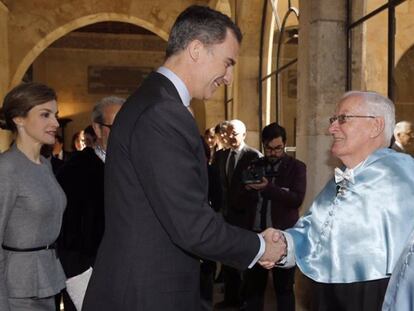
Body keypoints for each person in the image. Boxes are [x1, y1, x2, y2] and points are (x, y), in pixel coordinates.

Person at [82, 5, 285, 311]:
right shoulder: (162, 111)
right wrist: (260, 246)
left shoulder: (154, 102)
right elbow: (192, 225)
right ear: (196, 50)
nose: (229, 77)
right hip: (146, 293)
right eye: (227, 63)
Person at [270, 91, 414, 311]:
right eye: (333, 119)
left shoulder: (402, 176)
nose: (332, 128)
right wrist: (283, 243)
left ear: (375, 126)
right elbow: (316, 229)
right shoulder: (346, 176)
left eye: (343, 119)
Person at [0, 82, 67, 311]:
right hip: (17, 291)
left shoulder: (45, 165)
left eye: (55, 115)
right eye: (45, 115)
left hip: (48, 282)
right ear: (19, 119)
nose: (55, 123)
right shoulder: (6, 168)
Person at [56, 96, 124, 311]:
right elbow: (68, 234)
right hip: (88, 278)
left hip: (127, 276)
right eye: (115, 126)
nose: (123, 132)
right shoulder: (76, 172)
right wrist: (80, 283)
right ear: (97, 128)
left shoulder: (136, 166)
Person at [244, 122, 306, 311]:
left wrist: (268, 188)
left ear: (285, 144)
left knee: (284, 289)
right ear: (263, 145)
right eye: (269, 149)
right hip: (255, 235)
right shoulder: (254, 165)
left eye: (278, 148)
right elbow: (238, 201)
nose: (274, 153)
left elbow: (296, 199)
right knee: (253, 289)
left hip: (283, 237)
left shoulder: (296, 167)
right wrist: (247, 189)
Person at [213, 119, 262, 309]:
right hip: (224, 217)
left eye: (235, 133)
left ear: (244, 135)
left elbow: (255, 190)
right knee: (228, 259)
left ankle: (246, 300)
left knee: (246, 261)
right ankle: (231, 298)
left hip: (245, 218)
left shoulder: (253, 156)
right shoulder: (220, 156)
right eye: (228, 132)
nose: (230, 137)